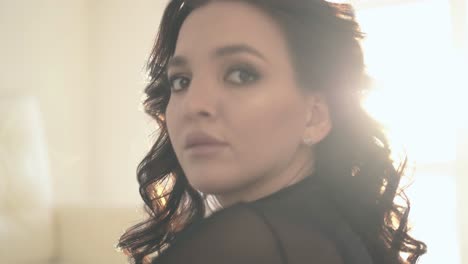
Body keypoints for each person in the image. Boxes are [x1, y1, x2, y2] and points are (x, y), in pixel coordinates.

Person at [118, 0, 427, 263]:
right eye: (181, 80)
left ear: (315, 116)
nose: (193, 104)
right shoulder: (339, 231)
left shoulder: (238, 246)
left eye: (241, 74)